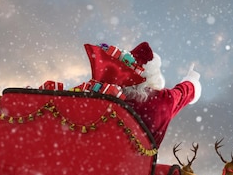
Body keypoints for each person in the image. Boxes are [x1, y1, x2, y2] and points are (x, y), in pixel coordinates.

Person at [72, 41, 201, 146]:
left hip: (91, 165)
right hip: (137, 174)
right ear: (154, 75)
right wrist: (192, 79)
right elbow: (184, 92)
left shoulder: (103, 96)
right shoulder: (163, 101)